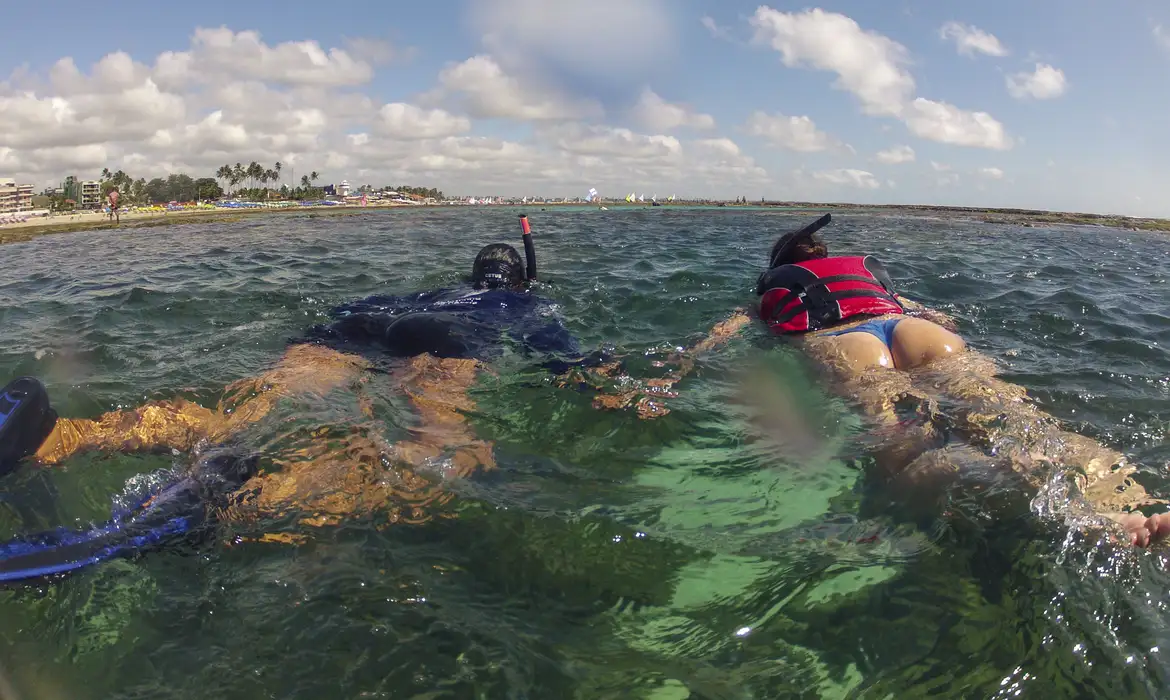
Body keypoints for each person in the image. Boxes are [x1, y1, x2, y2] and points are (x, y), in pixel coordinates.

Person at [0, 215, 669, 580]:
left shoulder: (434, 290)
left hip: (358, 323)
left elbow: (367, 314)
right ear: (519, 279)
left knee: (244, 417)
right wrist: (626, 395)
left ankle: (64, 436)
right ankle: (242, 505)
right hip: (452, 346)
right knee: (436, 465)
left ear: (473, 273)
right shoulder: (522, 306)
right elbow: (578, 367)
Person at [636, 213, 1170, 548]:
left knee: (896, 437)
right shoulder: (868, 276)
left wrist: (666, 378)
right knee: (1015, 415)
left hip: (846, 342)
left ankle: (957, 502)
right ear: (826, 257)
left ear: (778, 267)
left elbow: (718, 338)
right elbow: (938, 316)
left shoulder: (770, 291)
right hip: (914, 329)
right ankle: (1128, 504)